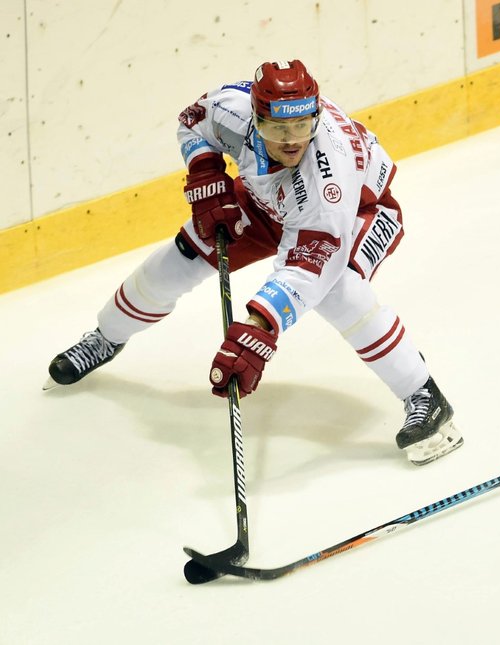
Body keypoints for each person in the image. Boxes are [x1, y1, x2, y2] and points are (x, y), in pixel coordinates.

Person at [46, 60, 462, 466]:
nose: (292, 140)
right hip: (268, 204)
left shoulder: (328, 179)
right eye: (279, 128)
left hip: (360, 213)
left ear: (315, 118)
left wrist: (257, 328)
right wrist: (204, 172)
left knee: (339, 292)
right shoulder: (232, 108)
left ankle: (423, 394)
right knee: (179, 259)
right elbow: (193, 121)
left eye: (302, 126)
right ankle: (105, 337)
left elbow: (309, 269)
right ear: (255, 120)